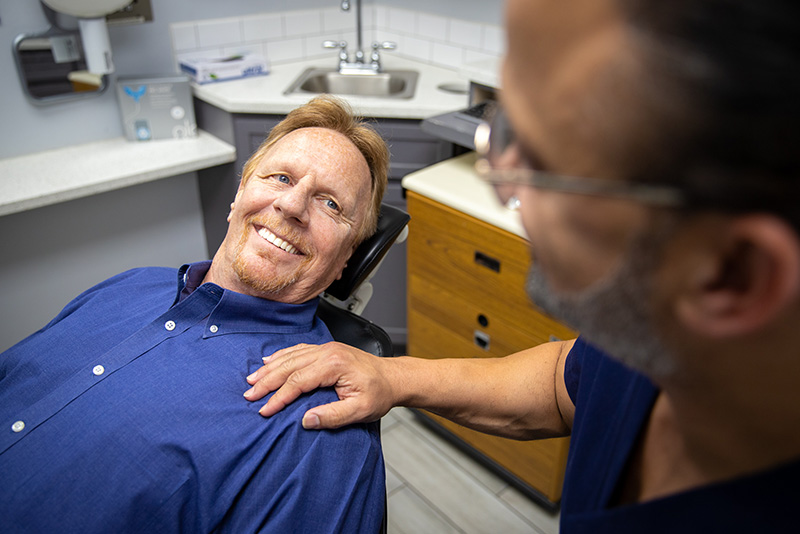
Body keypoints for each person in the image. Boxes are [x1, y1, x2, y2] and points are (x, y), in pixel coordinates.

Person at [244, 0, 800, 531]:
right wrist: (394, 376)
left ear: (732, 274)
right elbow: (567, 383)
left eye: (542, 159)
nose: (498, 182)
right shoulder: (649, 330)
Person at [0, 96, 390, 533]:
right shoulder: (131, 283)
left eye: (330, 204)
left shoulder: (320, 427)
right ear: (239, 193)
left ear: (345, 260)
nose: (292, 205)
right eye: (281, 177)